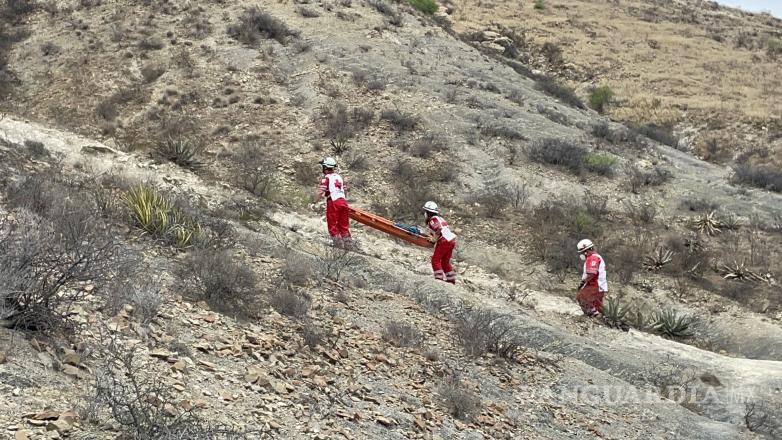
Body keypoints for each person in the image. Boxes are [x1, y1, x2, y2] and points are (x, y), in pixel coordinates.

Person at [312, 157, 351, 248]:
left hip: (333, 202)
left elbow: (321, 191)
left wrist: (314, 202)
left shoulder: (327, 178)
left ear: (325, 167)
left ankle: (338, 247)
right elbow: (345, 191)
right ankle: (349, 247)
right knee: (344, 226)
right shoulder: (339, 177)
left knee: (332, 226)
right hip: (343, 202)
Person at [423, 201, 457, 284]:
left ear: (428, 213)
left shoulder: (432, 220)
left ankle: (439, 279)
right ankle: (451, 280)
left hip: (444, 241)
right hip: (451, 240)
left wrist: (434, 239)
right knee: (445, 262)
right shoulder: (440, 219)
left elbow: (439, 229)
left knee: (435, 260)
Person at [576, 239, 608, 317]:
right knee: (597, 305)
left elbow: (592, 273)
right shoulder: (596, 257)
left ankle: (592, 316)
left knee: (581, 297)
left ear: (585, 251)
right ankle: (603, 318)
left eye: (581, 252)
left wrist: (583, 282)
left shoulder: (592, 258)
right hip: (600, 286)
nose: (581, 255)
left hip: (595, 284)